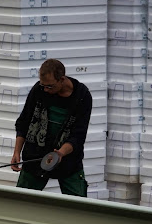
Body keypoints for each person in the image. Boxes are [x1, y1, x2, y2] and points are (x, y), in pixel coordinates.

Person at [11, 58, 92, 197]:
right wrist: (16, 152)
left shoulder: (82, 96)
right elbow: (23, 122)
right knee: (22, 202)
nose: (46, 90)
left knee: (79, 208)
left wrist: (60, 153)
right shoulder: (39, 90)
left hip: (68, 161)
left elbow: (78, 135)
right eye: (43, 86)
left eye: (50, 86)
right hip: (35, 156)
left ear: (62, 79)